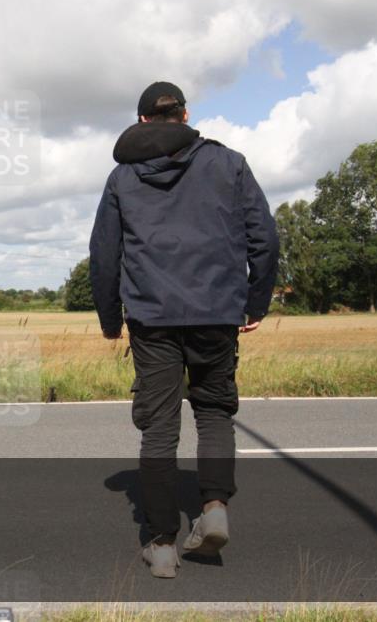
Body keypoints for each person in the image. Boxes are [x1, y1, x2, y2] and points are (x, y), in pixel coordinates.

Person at [89, 82, 279, 578]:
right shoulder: (229, 163)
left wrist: (111, 320)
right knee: (214, 413)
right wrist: (254, 301)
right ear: (186, 114)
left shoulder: (122, 176)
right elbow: (265, 238)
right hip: (218, 313)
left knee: (159, 429)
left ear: (144, 122)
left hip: (152, 319)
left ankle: (162, 545)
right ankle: (214, 508)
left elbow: (104, 255)